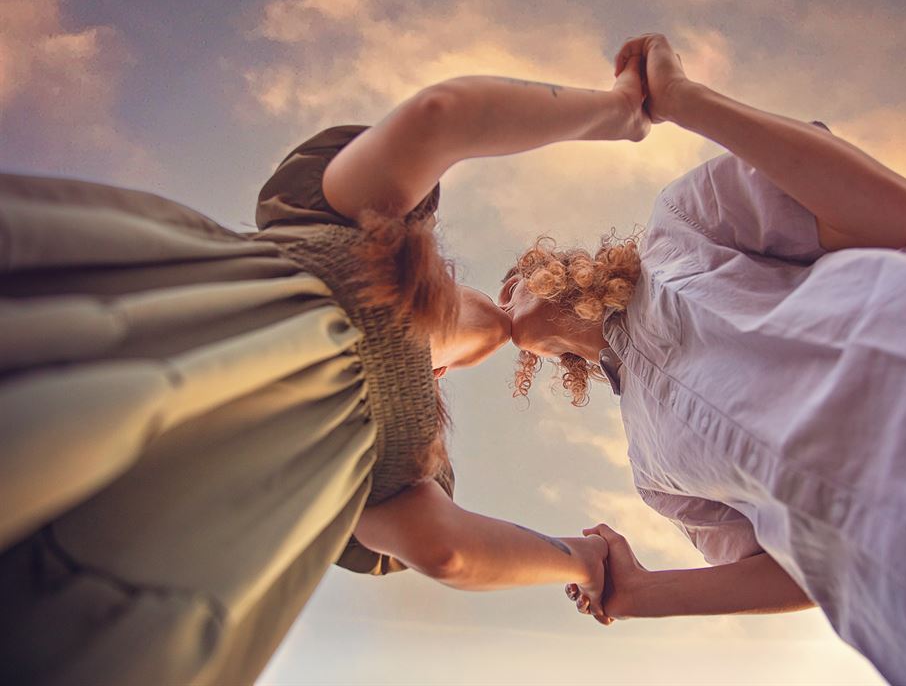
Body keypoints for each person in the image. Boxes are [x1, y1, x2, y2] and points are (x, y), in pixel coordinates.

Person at [0, 57, 652, 685]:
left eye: (560, 355)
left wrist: (583, 561)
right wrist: (617, 108)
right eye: (515, 283)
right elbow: (441, 114)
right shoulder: (356, 228)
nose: (510, 312)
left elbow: (447, 551)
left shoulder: (406, 455)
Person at [499, 34, 906, 685]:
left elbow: (893, 211)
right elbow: (789, 572)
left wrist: (686, 101)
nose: (500, 301)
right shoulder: (649, 469)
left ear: (550, 267)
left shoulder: (679, 230)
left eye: (510, 281)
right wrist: (640, 594)